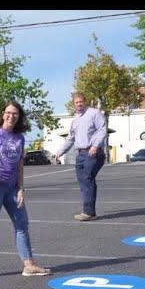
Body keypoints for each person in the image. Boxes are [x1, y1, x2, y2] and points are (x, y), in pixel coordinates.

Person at [0, 100, 51, 281]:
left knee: (22, 225)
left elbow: (19, 165)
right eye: (9, 113)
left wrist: (20, 188)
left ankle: (29, 265)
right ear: (3, 114)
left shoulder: (20, 138)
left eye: (15, 114)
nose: (11, 116)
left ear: (19, 117)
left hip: (12, 188)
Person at [55, 92, 107, 221]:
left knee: (87, 178)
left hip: (93, 152)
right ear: (74, 104)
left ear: (85, 101)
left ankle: (88, 212)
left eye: (81, 102)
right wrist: (61, 151)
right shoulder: (75, 120)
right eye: (76, 103)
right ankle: (91, 211)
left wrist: (95, 145)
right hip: (81, 154)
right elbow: (70, 138)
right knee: (84, 182)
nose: (79, 104)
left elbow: (102, 130)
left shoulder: (94, 113)